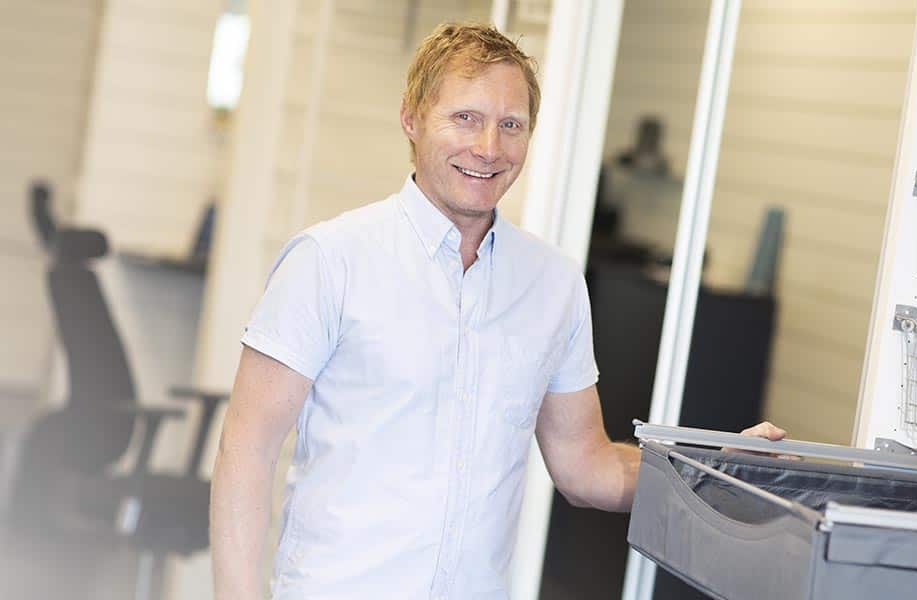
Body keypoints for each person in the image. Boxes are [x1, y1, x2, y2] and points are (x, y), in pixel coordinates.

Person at [210, 22, 787, 599]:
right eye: (465, 117)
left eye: (511, 125)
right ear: (411, 118)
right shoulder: (329, 260)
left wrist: (710, 472)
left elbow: (587, 466)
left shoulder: (553, 285)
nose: (489, 148)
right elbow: (246, 450)